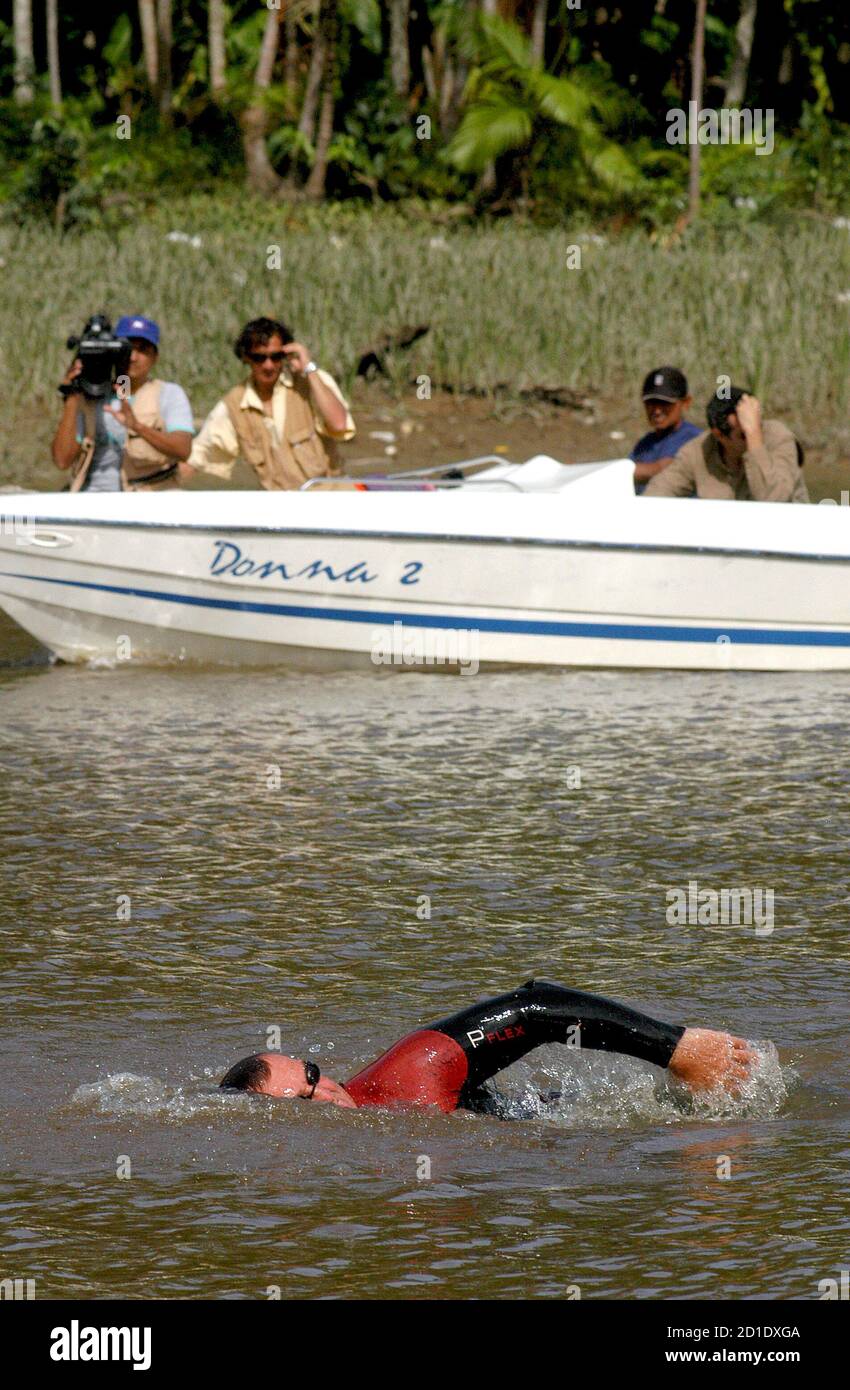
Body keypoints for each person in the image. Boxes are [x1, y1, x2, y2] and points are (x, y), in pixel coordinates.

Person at [218, 979, 756, 1114]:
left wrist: (676, 1049)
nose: (325, 1093)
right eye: (302, 1101)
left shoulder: (410, 1074)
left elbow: (537, 1004)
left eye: (312, 1073)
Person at [184, 316, 355, 489]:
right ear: (246, 358)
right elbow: (198, 456)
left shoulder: (313, 382)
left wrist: (309, 368)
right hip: (278, 507)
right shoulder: (234, 404)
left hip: (332, 498)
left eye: (276, 357)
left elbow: (339, 424)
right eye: (259, 358)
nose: (268, 365)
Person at [51, 315, 195, 492]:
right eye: (127, 349)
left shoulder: (168, 394)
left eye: (143, 350)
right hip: (92, 498)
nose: (133, 357)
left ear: (155, 357)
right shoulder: (92, 395)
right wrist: (71, 396)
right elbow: (62, 460)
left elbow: (183, 450)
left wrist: (137, 427)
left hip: (147, 497)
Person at [644, 386, 808, 502]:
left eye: (757, 424)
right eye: (744, 433)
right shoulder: (698, 451)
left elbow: (773, 499)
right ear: (719, 435)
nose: (755, 434)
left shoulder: (778, 438)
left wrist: (754, 436)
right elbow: (657, 493)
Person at [631, 366, 702, 495]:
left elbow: (665, 468)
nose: (657, 411)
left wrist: (615, 472)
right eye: (651, 402)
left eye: (665, 403)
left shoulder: (694, 439)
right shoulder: (645, 444)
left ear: (686, 402)